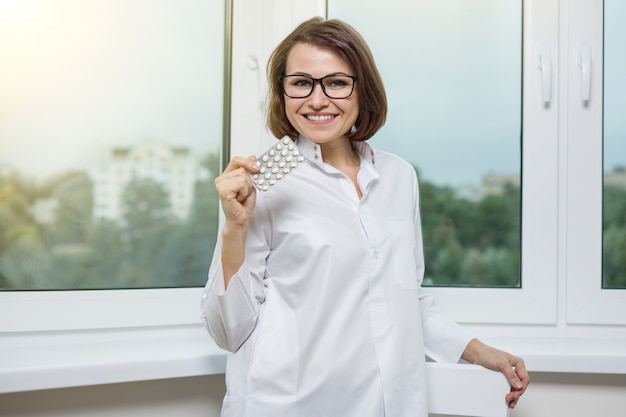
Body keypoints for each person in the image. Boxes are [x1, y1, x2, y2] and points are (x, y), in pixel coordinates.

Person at [201, 16, 529, 417]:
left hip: (384, 404)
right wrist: (235, 227)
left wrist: (480, 353)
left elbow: (403, 297)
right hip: (287, 404)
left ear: (362, 90)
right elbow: (228, 330)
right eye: (300, 82)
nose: (317, 99)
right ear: (282, 92)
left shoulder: (398, 176)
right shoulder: (264, 178)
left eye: (336, 82)